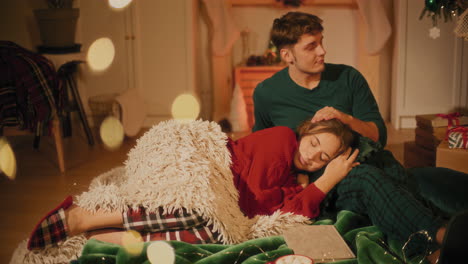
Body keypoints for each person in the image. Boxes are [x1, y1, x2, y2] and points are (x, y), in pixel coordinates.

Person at [27, 119, 459, 264]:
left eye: (322, 156)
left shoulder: (297, 178)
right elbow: (253, 204)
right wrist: (323, 184)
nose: (312, 156)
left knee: (207, 232)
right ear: (305, 132)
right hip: (202, 161)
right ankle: (82, 219)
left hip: (222, 197)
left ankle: (96, 236)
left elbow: (281, 209)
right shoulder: (281, 141)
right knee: (202, 216)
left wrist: (311, 187)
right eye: (313, 144)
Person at [252, 11, 468, 263]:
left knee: (421, 181)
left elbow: (379, 135)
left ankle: (443, 246)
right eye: (311, 46)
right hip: (324, 182)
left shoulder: (349, 78)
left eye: (321, 42)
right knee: (368, 179)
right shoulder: (266, 93)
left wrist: (347, 119)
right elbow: (264, 152)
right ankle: (440, 238)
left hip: (371, 158)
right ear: (287, 55)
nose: (322, 51)